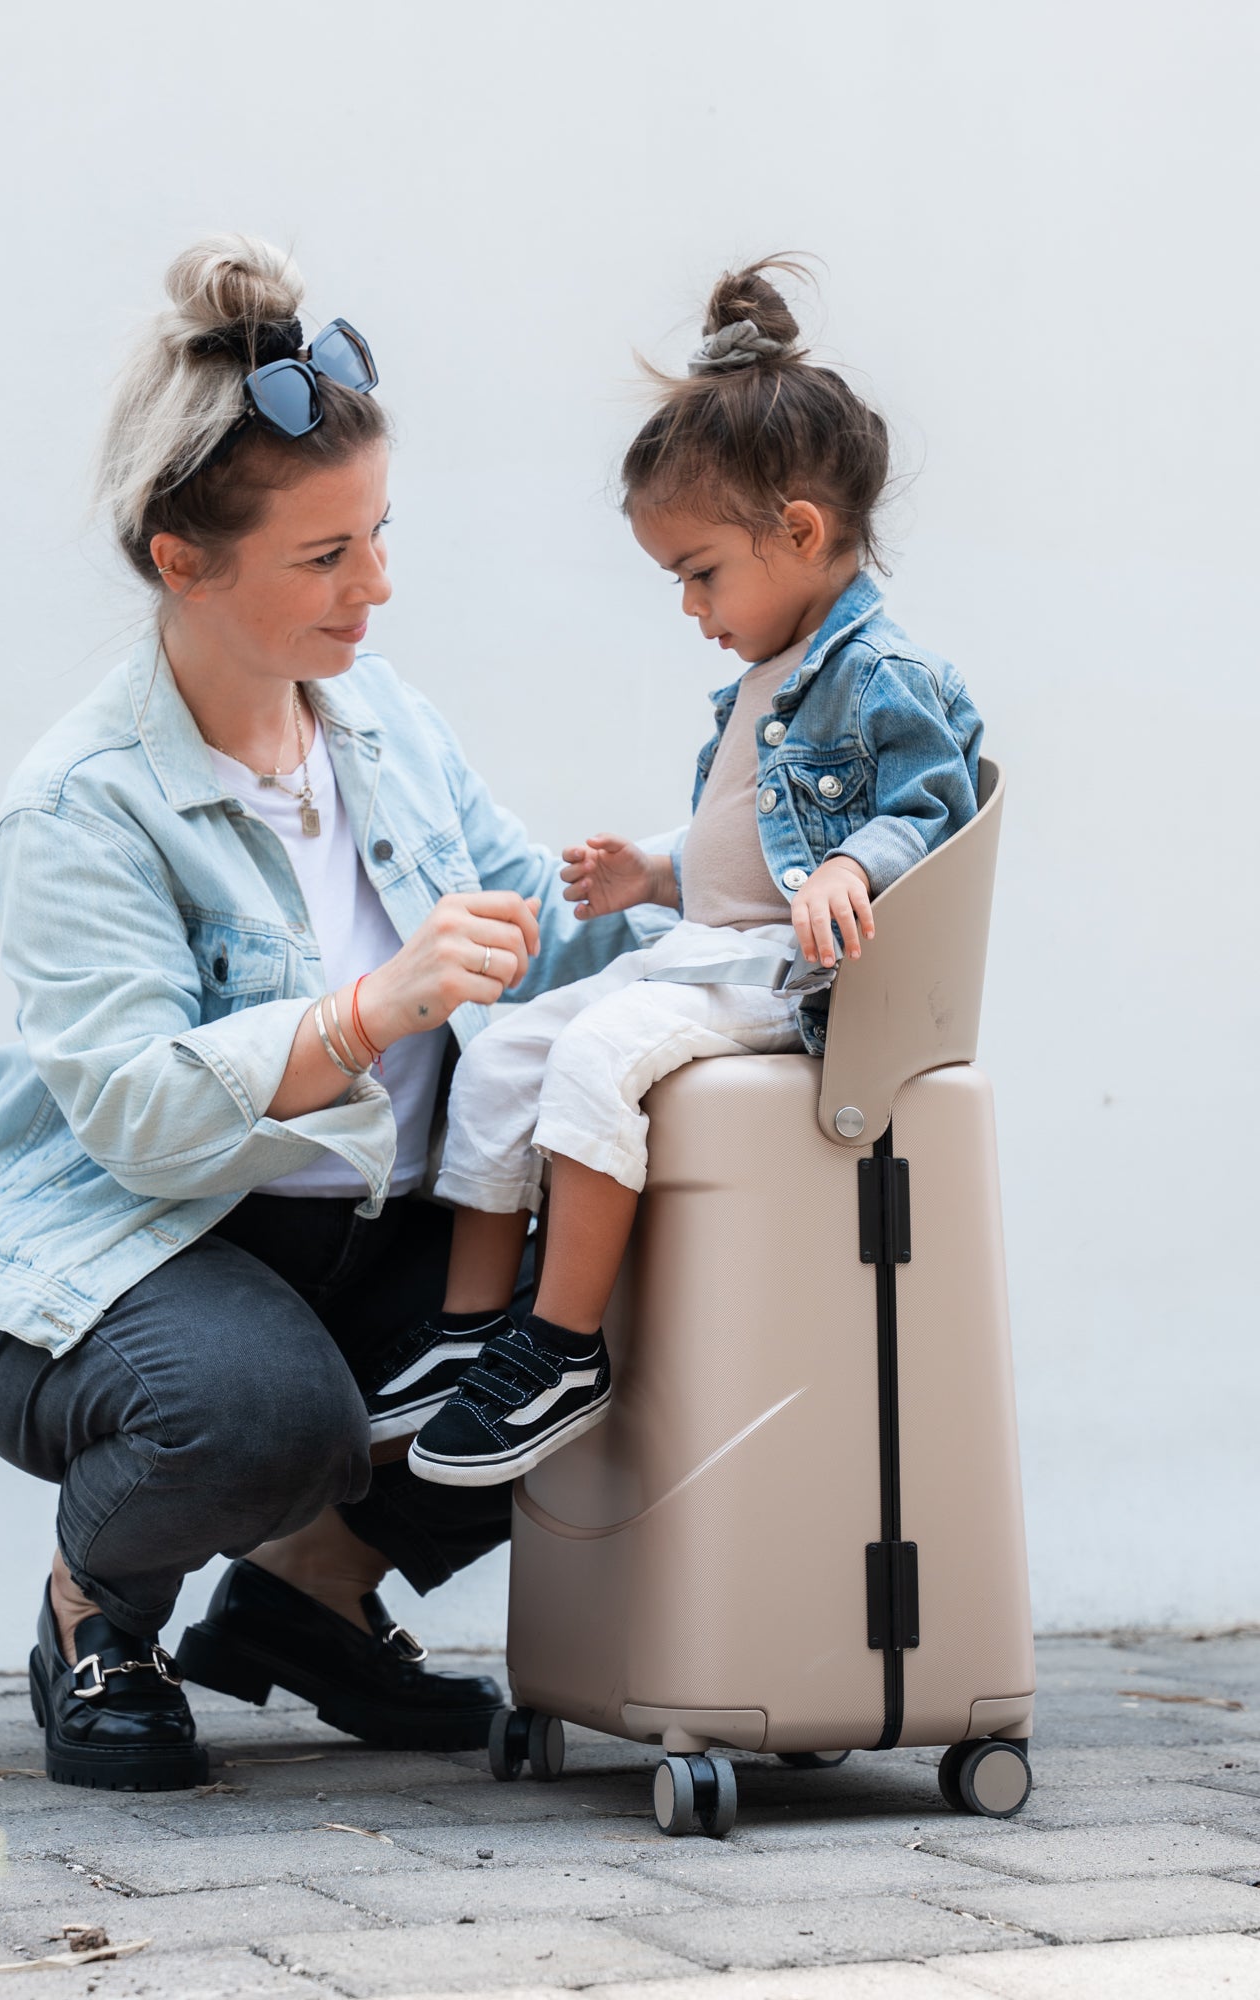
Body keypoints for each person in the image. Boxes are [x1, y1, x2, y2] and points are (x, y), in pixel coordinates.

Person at [0, 233, 671, 1791]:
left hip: (362, 1239)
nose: (375, 587)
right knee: (261, 1413)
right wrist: (368, 1010)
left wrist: (733, 915)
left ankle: (309, 1602)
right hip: (125, 1252)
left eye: (377, 536)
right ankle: (97, 1616)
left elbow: (526, 935)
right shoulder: (83, 803)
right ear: (181, 560)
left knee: (619, 1307)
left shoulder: (380, 719)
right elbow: (134, 1115)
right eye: (325, 557)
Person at [390, 258, 985, 1487]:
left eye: (698, 571)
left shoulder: (881, 675)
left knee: (597, 1054)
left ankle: (559, 1345)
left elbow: (933, 804)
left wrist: (855, 869)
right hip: (708, 950)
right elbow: (741, 851)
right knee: (504, 1048)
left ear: (799, 533)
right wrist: (652, 869)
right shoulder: (765, 679)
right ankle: (467, 1329)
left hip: (781, 973)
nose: (688, 605)